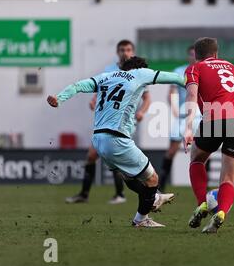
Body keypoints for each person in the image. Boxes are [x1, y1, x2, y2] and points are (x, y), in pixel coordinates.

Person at [47, 56, 184, 227]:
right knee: (152, 179)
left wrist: (59, 98)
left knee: (128, 176)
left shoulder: (106, 76)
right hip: (116, 138)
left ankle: (152, 200)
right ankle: (141, 218)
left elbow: (78, 86)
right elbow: (176, 78)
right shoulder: (140, 73)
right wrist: (197, 85)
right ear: (139, 68)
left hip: (98, 140)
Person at [65, 40, 151, 204]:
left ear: (133, 51)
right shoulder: (109, 71)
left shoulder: (138, 72)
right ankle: (85, 194)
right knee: (93, 156)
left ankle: (123, 194)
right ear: (117, 52)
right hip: (106, 122)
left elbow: (147, 98)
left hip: (123, 122)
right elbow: (101, 89)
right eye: (122, 50)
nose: (125, 52)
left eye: (128, 49)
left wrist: (142, 111)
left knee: (112, 156)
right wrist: (94, 99)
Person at [183, 37, 234, 233]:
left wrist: (188, 127)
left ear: (196, 55)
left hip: (215, 117)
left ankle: (202, 203)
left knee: (197, 159)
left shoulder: (194, 68)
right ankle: (221, 212)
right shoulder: (233, 68)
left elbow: (191, 95)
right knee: (228, 178)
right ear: (216, 53)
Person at [158, 45, 209, 192]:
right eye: (191, 54)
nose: (194, 57)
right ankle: (161, 184)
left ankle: (206, 184)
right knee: (172, 150)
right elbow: (172, 92)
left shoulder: (206, 71)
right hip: (182, 116)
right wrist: (174, 108)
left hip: (200, 116)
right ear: (188, 56)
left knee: (205, 151)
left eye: (196, 54)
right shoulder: (180, 71)